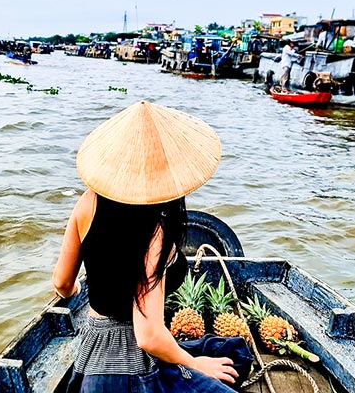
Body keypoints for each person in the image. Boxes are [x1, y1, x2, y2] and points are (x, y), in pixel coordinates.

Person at [52, 101, 250, 393]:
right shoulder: (154, 231)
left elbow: (61, 282)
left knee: (233, 352)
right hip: (132, 372)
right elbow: (149, 336)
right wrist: (196, 365)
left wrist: (75, 291)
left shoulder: (87, 202)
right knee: (225, 362)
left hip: (91, 356)